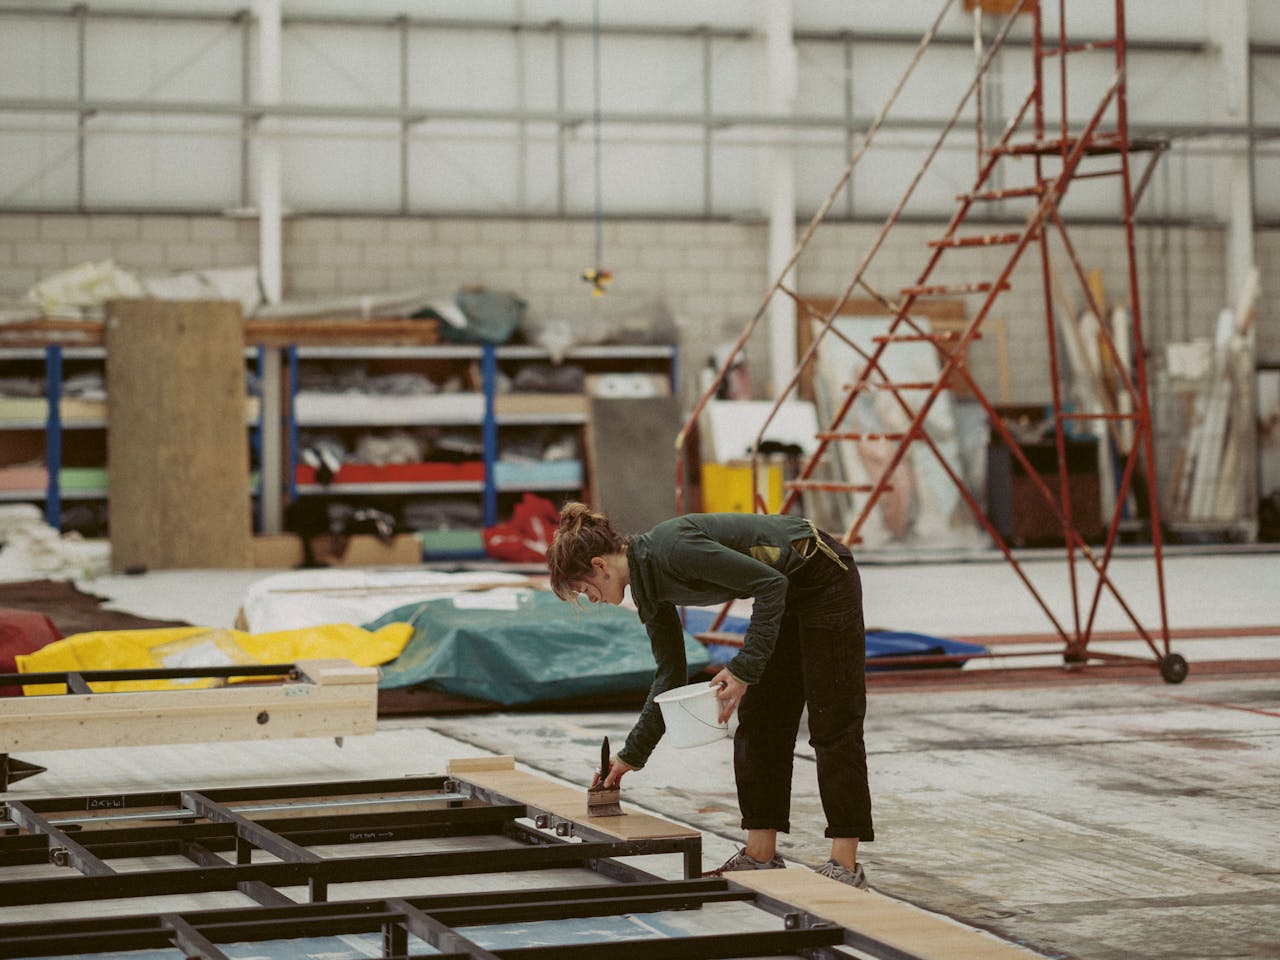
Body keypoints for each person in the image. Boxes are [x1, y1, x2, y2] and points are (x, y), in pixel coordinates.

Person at [546, 502, 873, 888]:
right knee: (761, 721)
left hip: (822, 576)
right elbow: (670, 672)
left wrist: (744, 669)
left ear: (600, 566)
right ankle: (760, 854)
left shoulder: (671, 549)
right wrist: (631, 755)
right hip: (784, 590)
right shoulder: (648, 588)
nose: (591, 599)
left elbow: (770, 584)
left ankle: (844, 865)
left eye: (584, 590)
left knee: (832, 720)